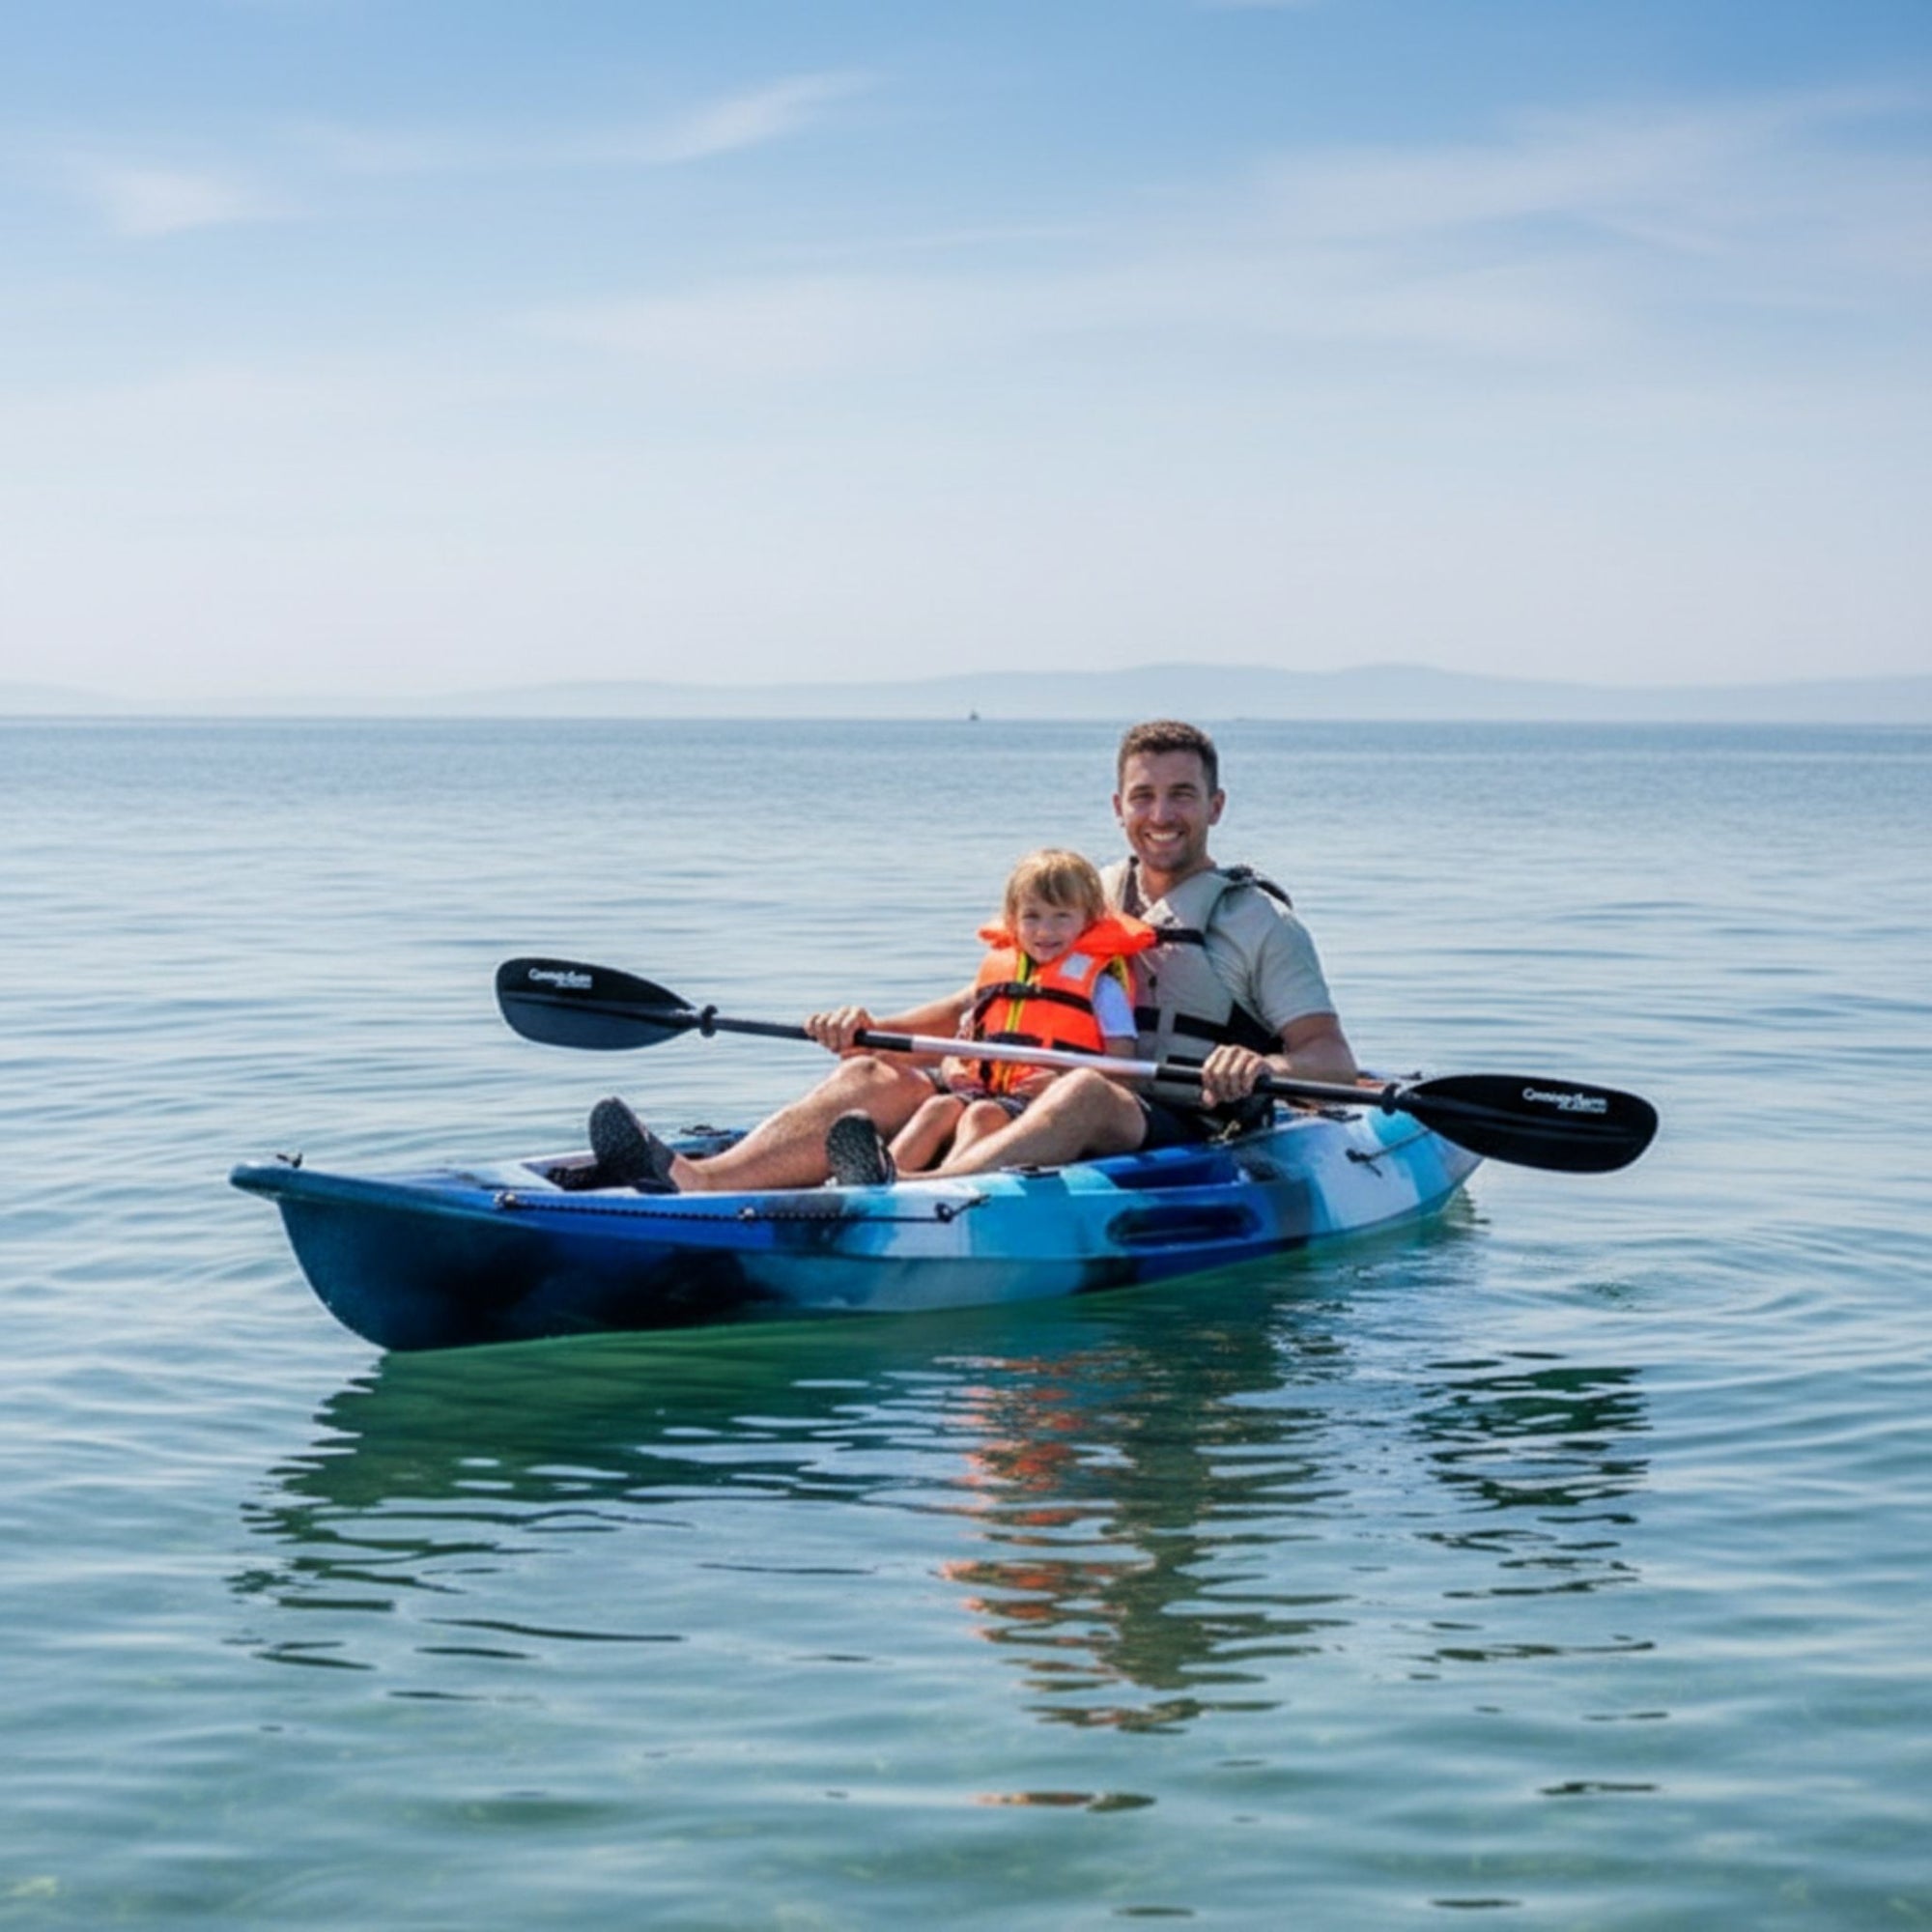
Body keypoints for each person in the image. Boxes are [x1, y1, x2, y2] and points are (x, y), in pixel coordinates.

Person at [584, 718, 1355, 1191]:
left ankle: (924, 1194)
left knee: (1083, 1089)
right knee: (872, 1073)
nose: (1162, 814)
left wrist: (1257, 1069)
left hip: (1179, 1129)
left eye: (1182, 795)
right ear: (1118, 807)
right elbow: (980, 1006)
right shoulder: (1081, 897)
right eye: (1144, 796)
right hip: (1024, 1093)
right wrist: (870, 1026)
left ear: (1214, 806)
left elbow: (1332, 1064)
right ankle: (697, 1182)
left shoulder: (1258, 924)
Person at [822, 848, 1152, 1186]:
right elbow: (965, 1039)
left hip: (1036, 1101)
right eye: (1032, 916)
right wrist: (953, 1067)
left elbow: (1121, 1068)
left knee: (981, 1116)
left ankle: (933, 1183)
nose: (1045, 930)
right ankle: (878, 1174)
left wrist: (1059, 1083)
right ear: (1012, 920)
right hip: (988, 1088)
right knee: (939, 1109)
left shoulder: (1102, 987)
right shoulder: (1000, 977)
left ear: (1089, 919)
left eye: (1061, 916)